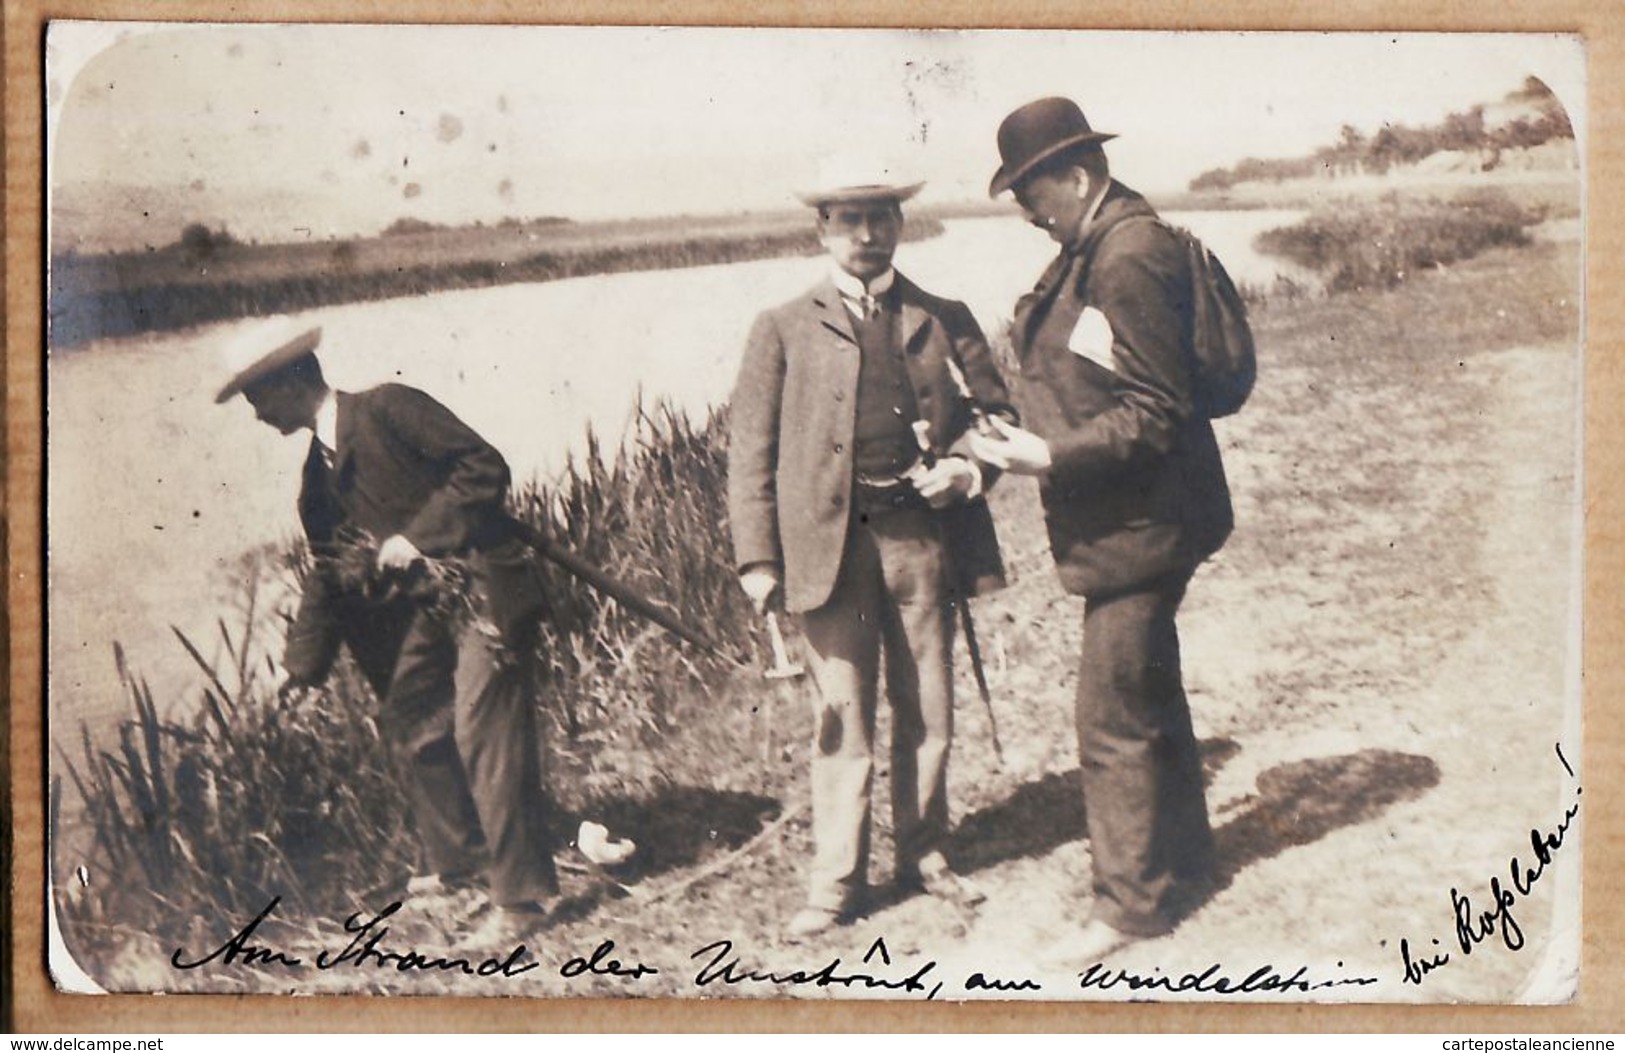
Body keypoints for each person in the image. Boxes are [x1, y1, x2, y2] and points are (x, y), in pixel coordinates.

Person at [971, 97, 1235, 960]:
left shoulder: (1122, 255)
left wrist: (1046, 453)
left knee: (1110, 712)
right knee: (1149, 692)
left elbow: (1158, 411)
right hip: (1139, 515)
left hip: (1145, 520)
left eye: (1029, 191)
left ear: (1075, 177)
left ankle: (1128, 905)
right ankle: (1186, 865)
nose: (1023, 209)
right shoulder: (1098, 241)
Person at [727, 162, 1016, 940]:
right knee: (840, 718)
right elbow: (749, 451)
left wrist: (967, 467)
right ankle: (836, 884)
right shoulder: (781, 326)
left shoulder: (942, 316)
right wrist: (757, 558)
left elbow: (996, 417)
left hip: (920, 543)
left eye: (880, 217)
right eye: (849, 219)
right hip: (828, 552)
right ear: (821, 226)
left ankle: (924, 854)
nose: (865, 234)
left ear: (899, 225)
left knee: (927, 705)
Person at [215, 320, 558, 939]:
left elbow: (483, 468)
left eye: (255, 398)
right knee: (408, 713)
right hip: (429, 610)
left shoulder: (387, 409)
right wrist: (300, 668)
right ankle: (462, 863)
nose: (256, 415)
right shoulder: (315, 486)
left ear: (291, 381)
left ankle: (522, 901)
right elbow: (327, 577)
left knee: (484, 730)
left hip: (484, 588)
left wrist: (416, 537)